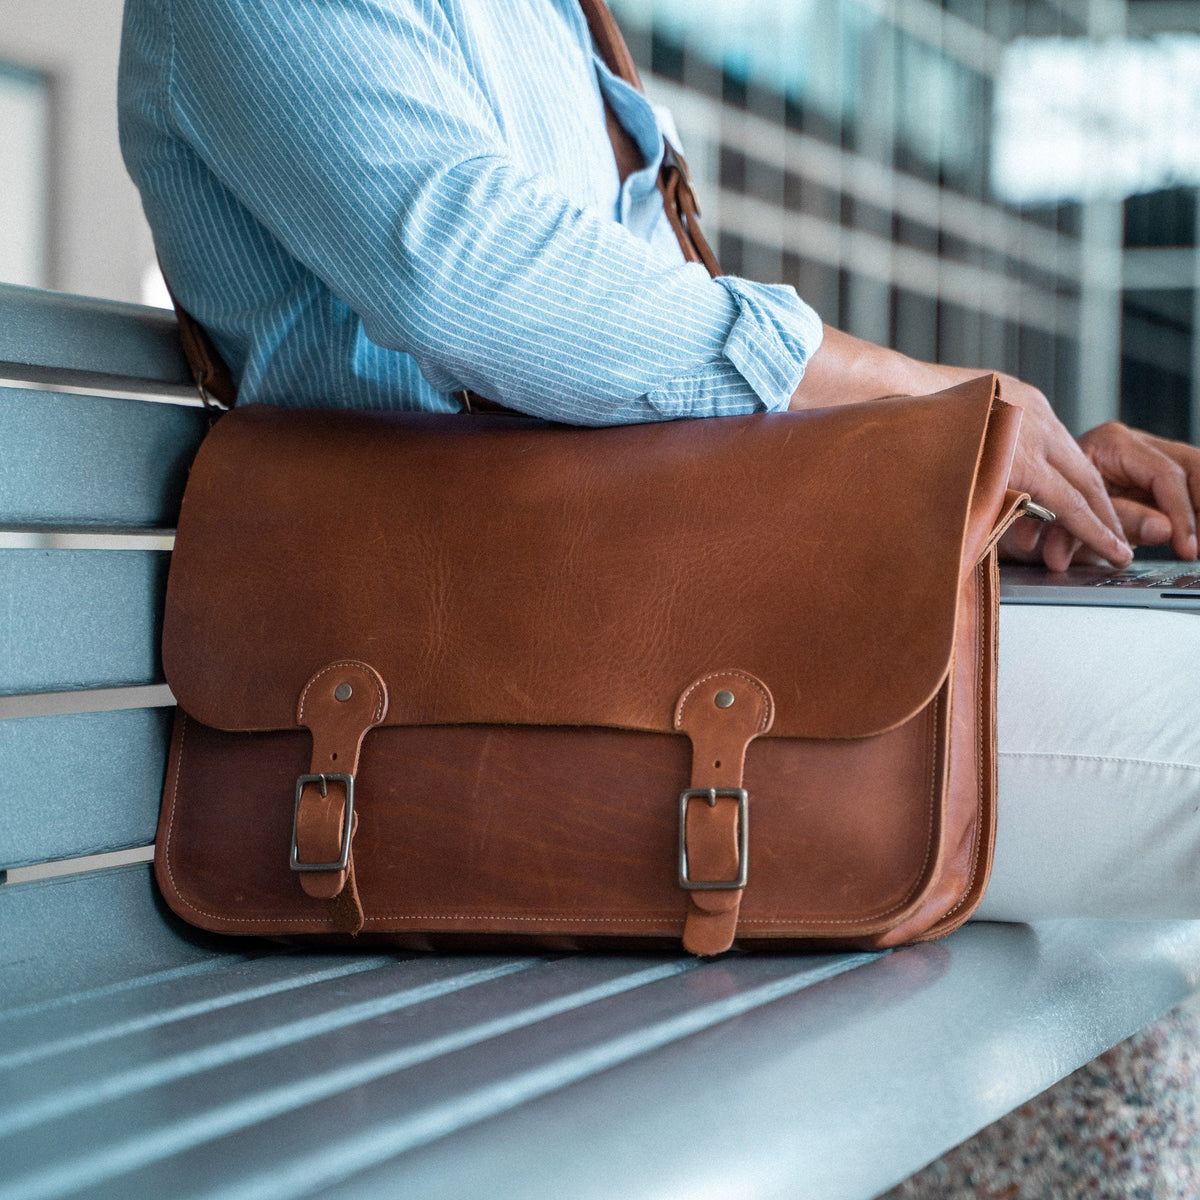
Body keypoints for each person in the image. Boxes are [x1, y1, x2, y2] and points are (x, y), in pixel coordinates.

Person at [118, 0, 1200, 920]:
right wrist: (929, 401)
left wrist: (980, 484)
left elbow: (651, 383)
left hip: (668, 629)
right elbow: (461, 269)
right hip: (487, 683)